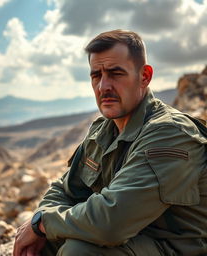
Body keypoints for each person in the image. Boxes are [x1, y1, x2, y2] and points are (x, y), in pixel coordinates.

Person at [13, 29, 207, 256]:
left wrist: (42, 223)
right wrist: (40, 221)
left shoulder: (171, 133)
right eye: (96, 75)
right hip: (133, 241)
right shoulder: (103, 130)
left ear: (144, 76)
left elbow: (111, 223)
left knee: (79, 251)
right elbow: (64, 189)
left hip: (172, 248)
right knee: (41, 243)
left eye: (116, 73)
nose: (103, 86)